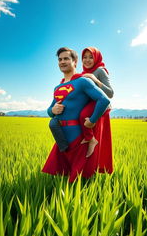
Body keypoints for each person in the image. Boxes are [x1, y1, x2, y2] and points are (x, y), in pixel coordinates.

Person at [42, 47, 111, 182]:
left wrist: (92, 120)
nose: (62, 62)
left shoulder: (83, 81)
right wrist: (52, 110)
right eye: (60, 59)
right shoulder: (57, 87)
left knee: (77, 182)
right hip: (61, 138)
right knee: (63, 177)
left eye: (66, 58)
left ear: (75, 62)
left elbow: (104, 100)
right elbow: (49, 110)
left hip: (78, 138)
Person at [79, 47, 114, 157]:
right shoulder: (83, 73)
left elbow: (110, 93)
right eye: (85, 57)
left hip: (99, 107)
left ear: (97, 58)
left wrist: (95, 79)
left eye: (91, 57)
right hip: (90, 107)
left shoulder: (100, 70)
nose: (87, 60)